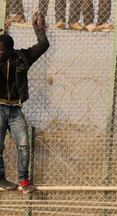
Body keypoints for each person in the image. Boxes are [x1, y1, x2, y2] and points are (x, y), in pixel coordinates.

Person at [0, 13, 50, 193]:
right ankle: (1, 178)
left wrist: (38, 29)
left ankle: (23, 180)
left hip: (14, 109)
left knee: (24, 144)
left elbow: (43, 45)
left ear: (9, 49)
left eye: (1, 50)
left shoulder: (22, 57)